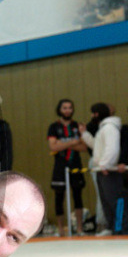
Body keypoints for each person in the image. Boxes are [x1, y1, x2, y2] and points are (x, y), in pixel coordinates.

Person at [80, 103, 122, 236]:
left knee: (112, 200)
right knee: (105, 201)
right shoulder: (103, 128)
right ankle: (111, 227)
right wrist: (85, 134)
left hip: (106, 170)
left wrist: (105, 164)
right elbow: (97, 146)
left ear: (97, 114)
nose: (92, 116)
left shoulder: (109, 128)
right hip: (101, 169)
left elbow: (112, 148)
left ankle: (119, 228)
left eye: (93, 113)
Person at [47, 99, 86, 236]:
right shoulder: (53, 127)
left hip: (75, 165)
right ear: (60, 110)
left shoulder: (78, 126)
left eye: (70, 107)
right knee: (59, 196)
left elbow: (84, 147)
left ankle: (80, 229)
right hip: (60, 165)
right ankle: (61, 229)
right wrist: (74, 141)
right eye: (64, 108)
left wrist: (62, 144)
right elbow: (52, 146)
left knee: (78, 195)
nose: (67, 110)